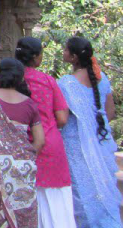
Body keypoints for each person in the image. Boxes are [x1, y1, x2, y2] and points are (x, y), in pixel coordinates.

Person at [0, 58, 44, 228]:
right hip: (22, 165)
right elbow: (40, 141)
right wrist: (25, 156)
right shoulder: (29, 103)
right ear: (20, 78)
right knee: (21, 213)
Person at [58, 37, 122, 228]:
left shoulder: (67, 83)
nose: (63, 53)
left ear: (74, 57)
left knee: (82, 192)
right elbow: (110, 112)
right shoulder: (102, 80)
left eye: (66, 50)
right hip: (101, 141)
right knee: (104, 186)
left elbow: (62, 117)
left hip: (75, 145)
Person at [15, 37, 75, 228]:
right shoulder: (47, 81)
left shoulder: (8, 81)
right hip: (49, 145)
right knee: (55, 203)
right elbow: (62, 119)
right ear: (35, 57)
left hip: (19, 146)